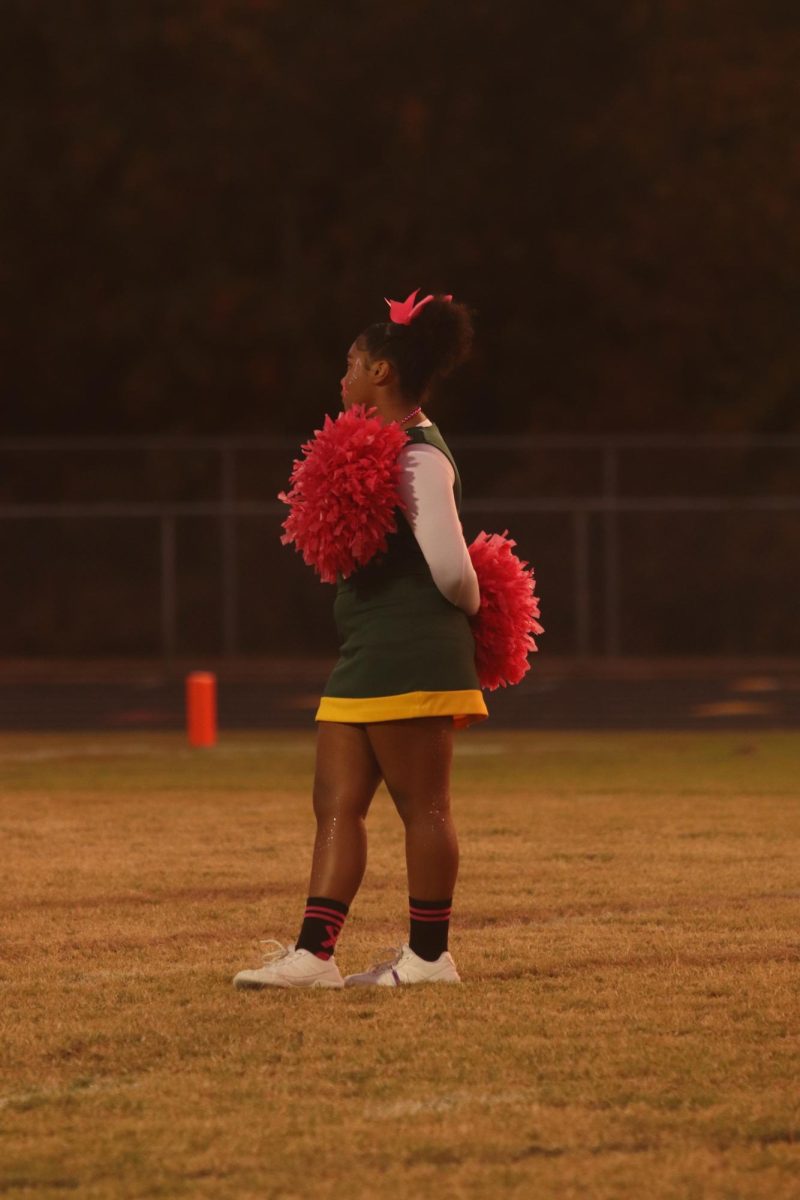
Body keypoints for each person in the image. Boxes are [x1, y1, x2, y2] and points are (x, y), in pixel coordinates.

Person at [233, 290, 487, 990]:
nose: (341, 376)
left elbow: (452, 569)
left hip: (414, 652)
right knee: (336, 802)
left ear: (381, 370)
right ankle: (315, 954)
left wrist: (471, 609)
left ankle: (431, 959)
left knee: (422, 806)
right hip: (366, 654)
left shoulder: (418, 453)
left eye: (350, 362)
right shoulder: (376, 445)